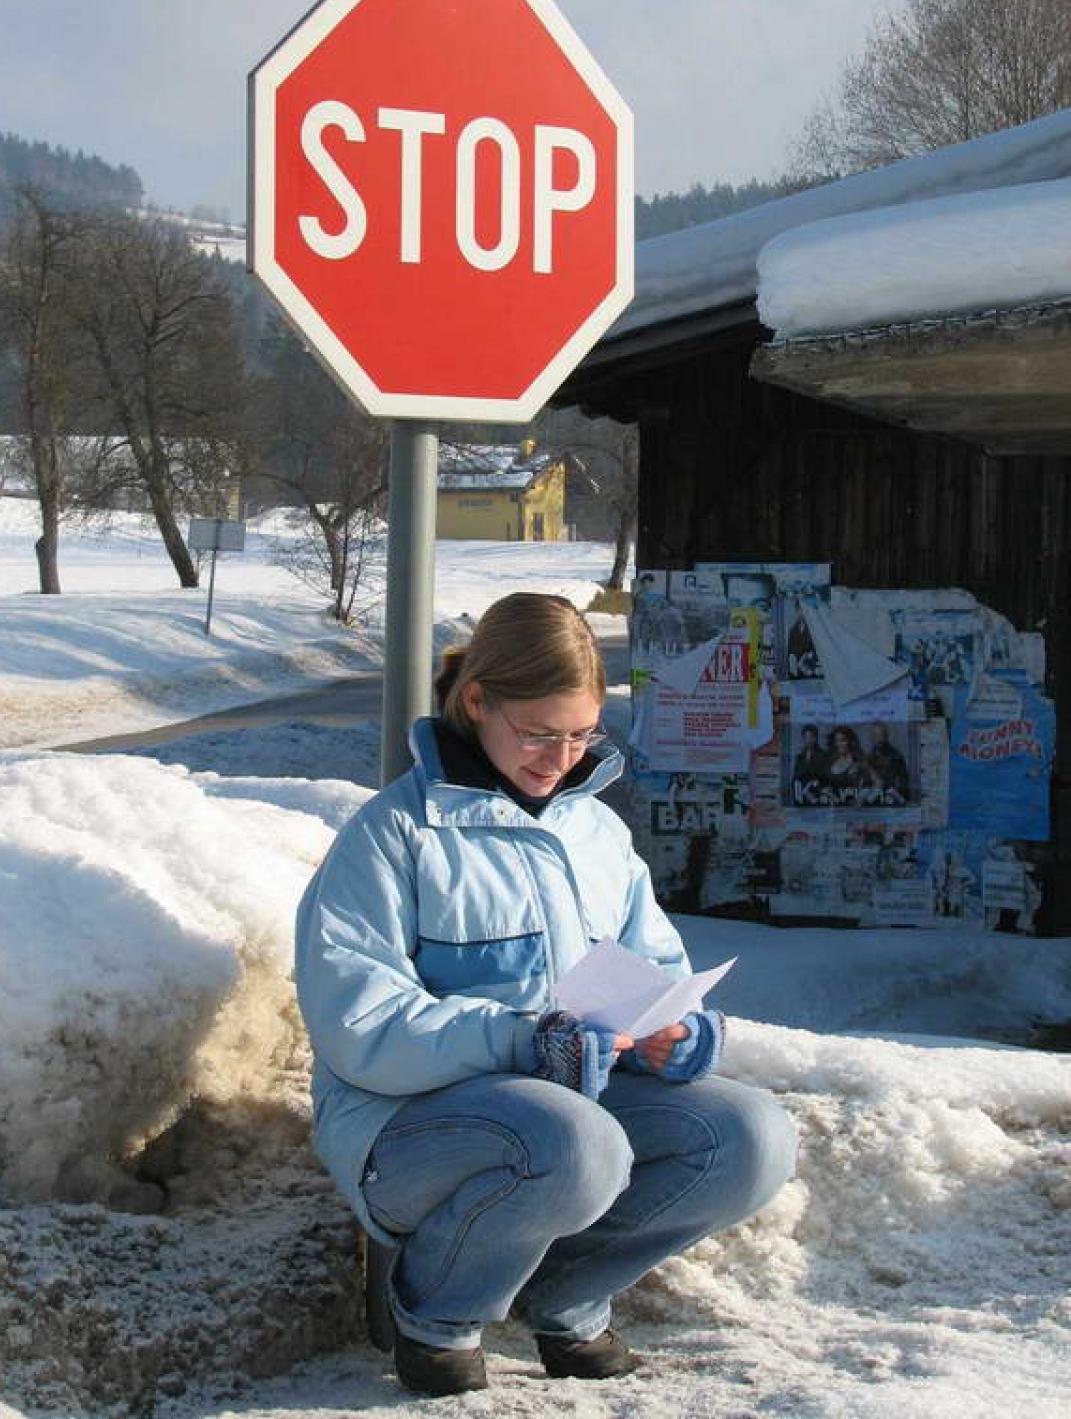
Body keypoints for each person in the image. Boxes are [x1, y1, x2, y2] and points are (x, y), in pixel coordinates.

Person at [295, 593, 797, 1398]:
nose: (559, 756)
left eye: (579, 734)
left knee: (748, 1136)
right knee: (571, 1142)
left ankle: (560, 1295)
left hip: (571, 1105)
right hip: (404, 1125)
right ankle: (435, 1315)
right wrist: (524, 1039)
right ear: (476, 702)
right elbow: (360, 1026)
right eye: (537, 732)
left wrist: (673, 1029)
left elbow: (652, 964)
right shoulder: (394, 835)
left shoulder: (595, 834)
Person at [865, 722, 911, 804]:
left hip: (893, 800)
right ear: (872, 738)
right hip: (874, 801)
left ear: (887, 736)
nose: (879, 739)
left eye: (881, 735)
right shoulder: (868, 758)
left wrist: (895, 793)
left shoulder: (897, 757)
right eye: (875, 735)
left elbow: (904, 783)